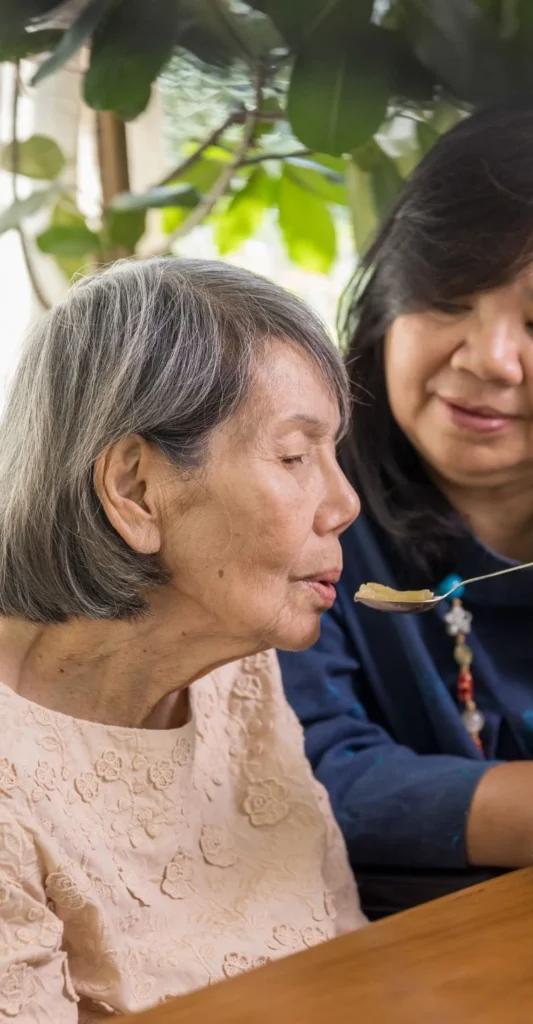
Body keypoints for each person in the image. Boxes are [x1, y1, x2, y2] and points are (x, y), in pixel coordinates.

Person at [278, 103, 533, 917]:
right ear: (386, 301)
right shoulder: (305, 487)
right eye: (447, 300)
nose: (487, 360)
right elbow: (296, 764)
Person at [0, 257, 365, 1020]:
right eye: (296, 457)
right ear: (135, 489)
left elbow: (343, 956)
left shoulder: (239, 676)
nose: (344, 502)